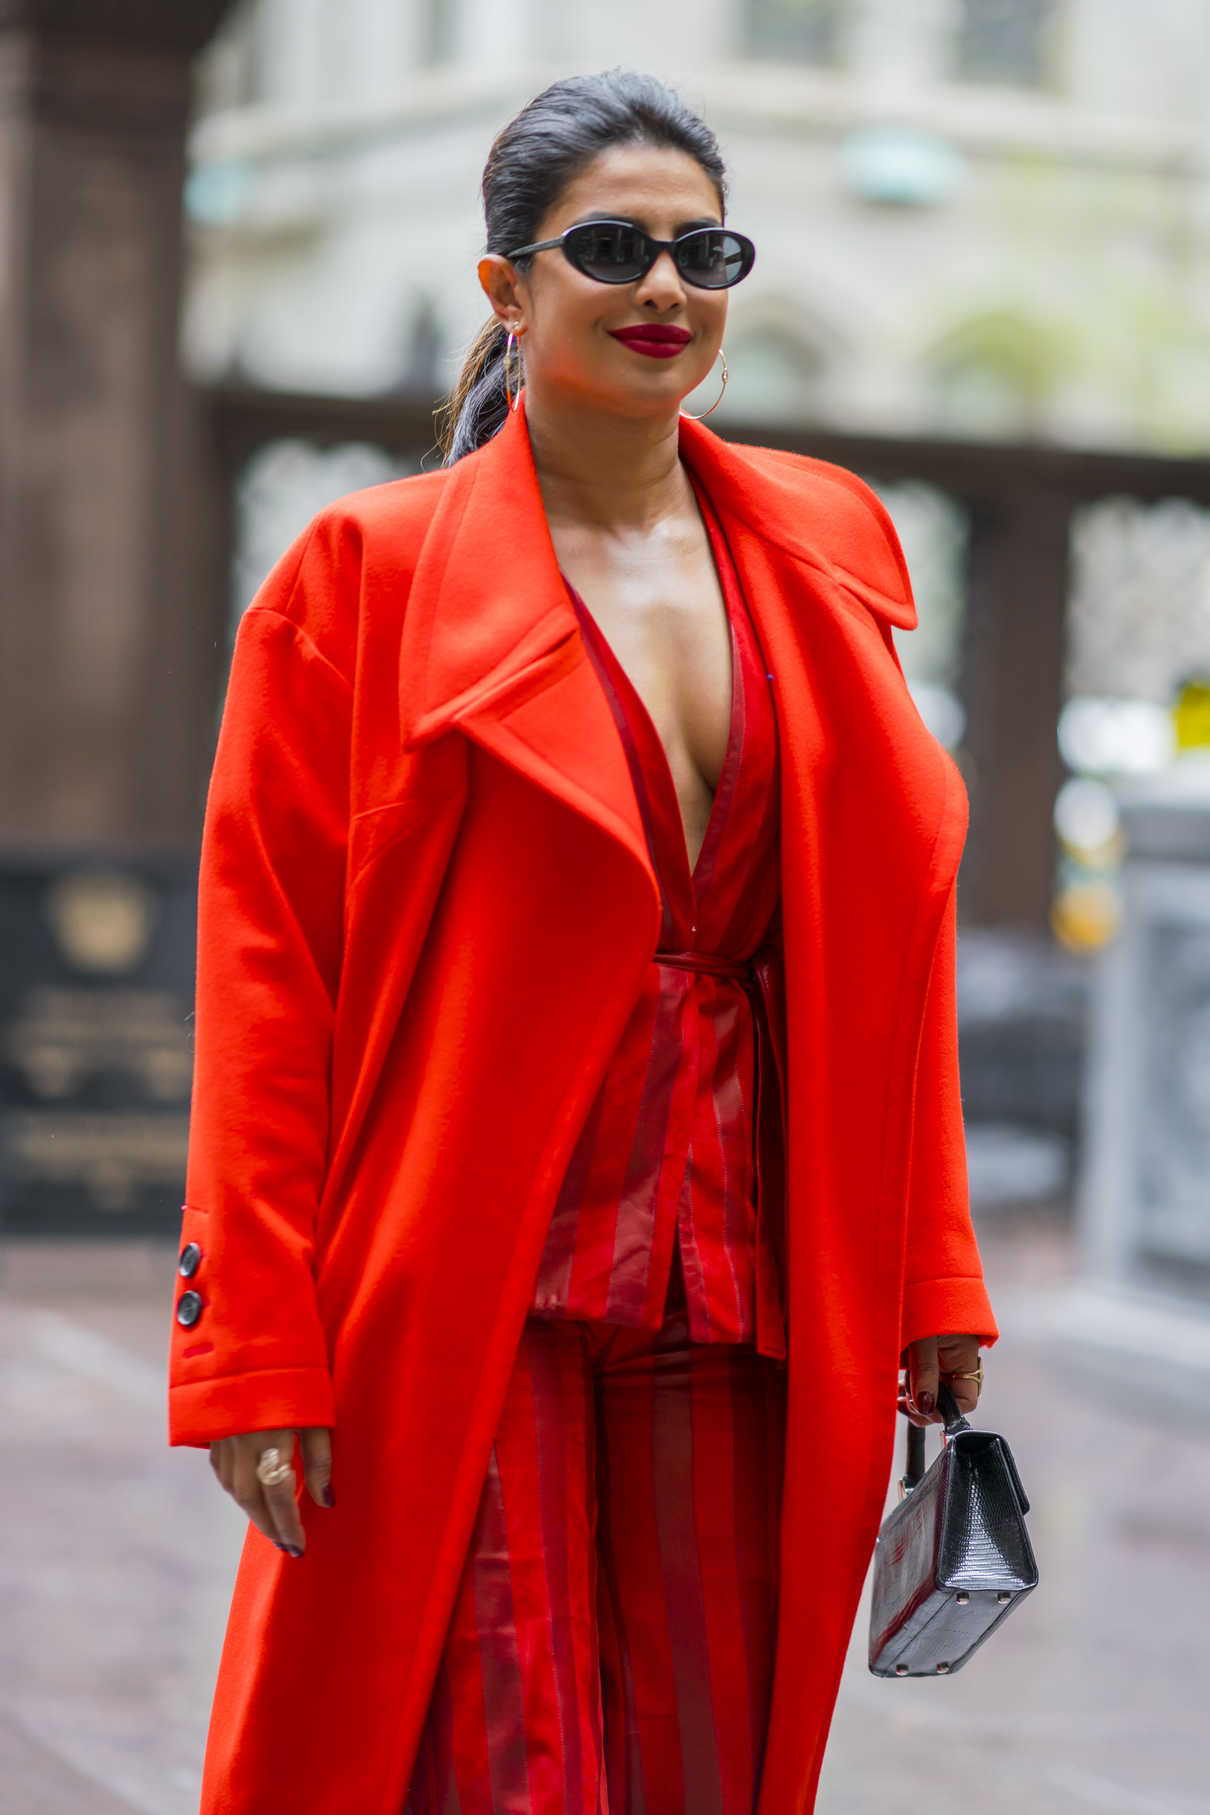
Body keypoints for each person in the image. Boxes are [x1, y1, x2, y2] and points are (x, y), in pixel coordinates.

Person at [169, 67, 999, 1815]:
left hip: (760, 1266)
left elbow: (885, 933)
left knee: (709, 1753)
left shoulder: (823, 546)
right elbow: (265, 972)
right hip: (479, 1263)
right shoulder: (360, 575)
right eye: (610, 245)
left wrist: (931, 1265)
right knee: (500, 1760)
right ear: (505, 286)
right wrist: (256, 1338)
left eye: (706, 248)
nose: (666, 288)